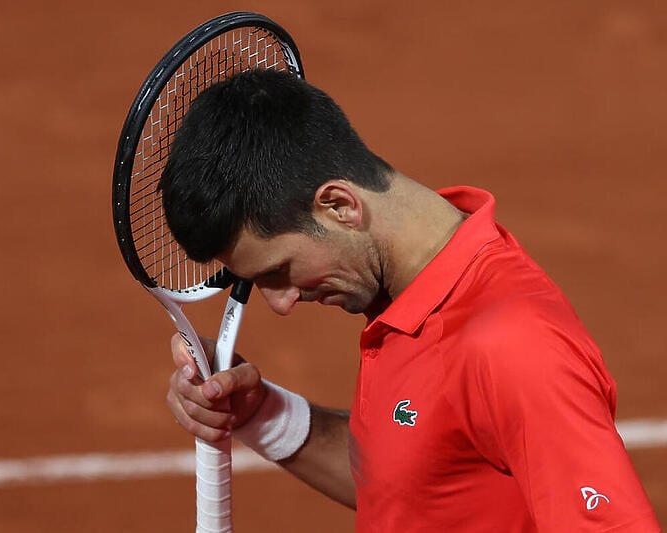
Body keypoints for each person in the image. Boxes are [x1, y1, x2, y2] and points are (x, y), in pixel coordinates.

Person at [159, 69, 660, 531]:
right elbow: (413, 487)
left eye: (278, 272)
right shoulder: (410, 298)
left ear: (339, 206)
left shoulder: (511, 347)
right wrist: (263, 415)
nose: (282, 302)